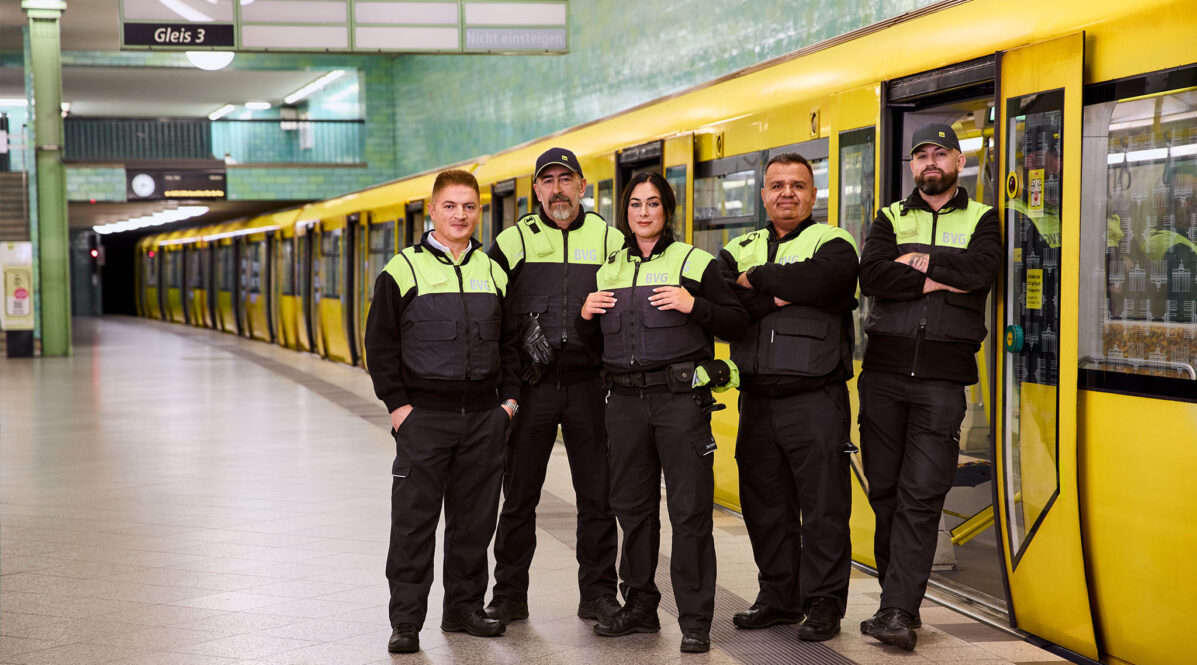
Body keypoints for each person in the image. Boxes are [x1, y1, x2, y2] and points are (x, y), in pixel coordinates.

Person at [577, 171, 748, 653]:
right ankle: (640, 607)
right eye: (635, 205)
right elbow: (594, 343)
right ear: (625, 213)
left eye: (653, 204)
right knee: (632, 510)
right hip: (624, 405)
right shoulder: (608, 269)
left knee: (690, 511)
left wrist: (694, 305)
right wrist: (583, 316)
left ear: (667, 212)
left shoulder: (695, 263)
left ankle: (695, 621)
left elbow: (737, 319)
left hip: (679, 404)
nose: (644, 212)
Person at [857, 124, 1001, 651]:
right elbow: (872, 276)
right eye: (922, 155)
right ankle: (892, 602)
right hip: (883, 377)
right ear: (912, 166)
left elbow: (982, 270)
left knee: (921, 496)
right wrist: (946, 275)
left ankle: (898, 611)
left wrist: (918, 263)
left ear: (958, 162)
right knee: (887, 494)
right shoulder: (890, 217)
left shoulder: (983, 217)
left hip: (942, 381)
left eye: (941, 153)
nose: (931, 162)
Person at [364, 169, 520, 654]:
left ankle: (464, 610)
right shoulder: (402, 270)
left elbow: (513, 344)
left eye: (469, 207)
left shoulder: (493, 271)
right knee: (413, 524)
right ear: (432, 210)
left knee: (474, 523)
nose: (460, 215)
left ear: (479, 211)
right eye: (450, 206)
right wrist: (399, 408)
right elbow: (381, 344)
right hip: (423, 419)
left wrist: (508, 404)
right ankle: (406, 622)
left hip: (483, 420)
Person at [717, 152, 859, 641]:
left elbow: (826, 280)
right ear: (762, 195)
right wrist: (792, 291)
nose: (787, 194)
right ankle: (778, 597)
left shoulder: (834, 241)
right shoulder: (738, 247)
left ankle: (823, 605)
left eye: (798, 185)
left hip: (816, 398)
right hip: (756, 399)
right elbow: (722, 300)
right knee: (765, 505)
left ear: (813, 194)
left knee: (823, 507)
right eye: (777, 185)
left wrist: (757, 282)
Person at [486, 147, 624, 625]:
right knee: (520, 493)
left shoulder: (611, 239)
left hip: (591, 385)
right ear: (537, 189)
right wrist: (504, 382)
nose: (558, 189)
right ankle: (508, 594)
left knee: (597, 494)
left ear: (583, 187)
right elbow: (489, 311)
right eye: (548, 181)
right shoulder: (511, 242)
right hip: (532, 386)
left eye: (567, 179)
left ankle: (599, 594)